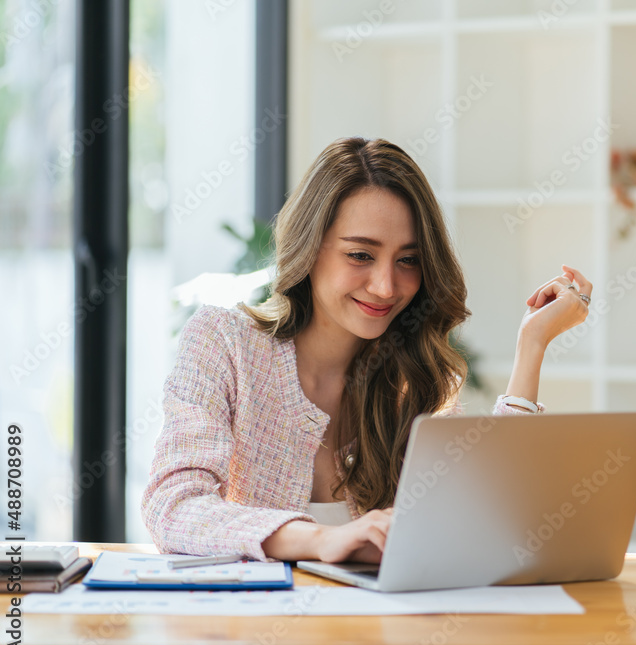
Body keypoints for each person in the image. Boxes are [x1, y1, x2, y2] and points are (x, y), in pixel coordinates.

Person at [141, 137, 594, 564]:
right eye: (360, 255)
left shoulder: (413, 378)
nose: (385, 286)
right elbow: (174, 506)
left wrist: (532, 345)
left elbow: (489, 515)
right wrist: (321, 539)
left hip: (378, 640)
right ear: (310, 248)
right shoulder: (225, 342)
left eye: (408, 260)